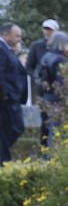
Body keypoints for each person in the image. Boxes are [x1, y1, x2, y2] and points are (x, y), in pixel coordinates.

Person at [30, 30, 68, 150]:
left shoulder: (46, 57)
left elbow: (38, 75)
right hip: (57, 98)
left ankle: (46, 154)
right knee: (56, 128)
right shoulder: (60, 59)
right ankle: (54, 155)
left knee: (47, 127)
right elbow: (61, 82)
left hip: (46, 96)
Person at [0, 23, 26, 161]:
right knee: (15, 127)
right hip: (7, 99)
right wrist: (5, 94)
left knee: (13, 129)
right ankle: (3, 160)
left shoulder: (7, 50)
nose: (19, 39)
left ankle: (4, 159)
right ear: (5, 35)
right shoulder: (1, 49)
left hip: (12, 98)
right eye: (17, 36)